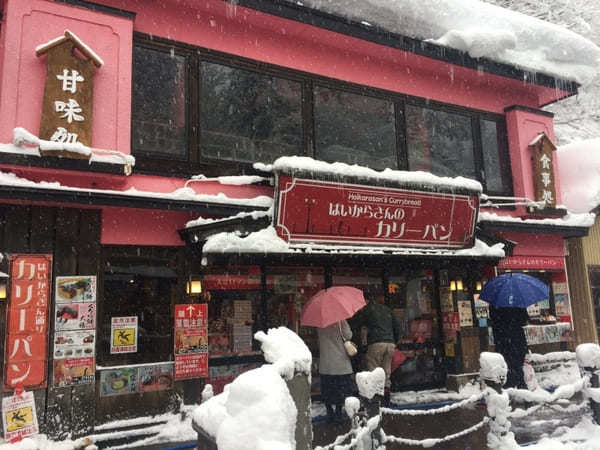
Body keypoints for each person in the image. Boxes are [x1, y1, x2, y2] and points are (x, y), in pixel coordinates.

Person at [353, 294, 401, 406]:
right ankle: (386, 399)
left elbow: (357, 324)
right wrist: (394, 340)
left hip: (376, 343)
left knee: (373, 372)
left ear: (365, 300)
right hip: (390, 344)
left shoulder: (367, 309)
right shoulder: (385, 309)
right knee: (386, 373)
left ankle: (376, 401)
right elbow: (397, 326)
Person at [318, 319, 354, 424]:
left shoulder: (320, 323)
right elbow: (349, 335)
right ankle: (338, 413)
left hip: (326, 362)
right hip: (340, 362)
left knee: (327, 389)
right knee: (341, 389)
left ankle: (330, 413)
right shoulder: (340, 320)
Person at [489, 305, 529, 389]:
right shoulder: (517, 302)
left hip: (503, 341)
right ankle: (521, 389)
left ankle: (509, 389)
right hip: (517, 340)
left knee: (506, 367)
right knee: (518, 367)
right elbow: (524, 320)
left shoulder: (495, 304)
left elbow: (493, 320)